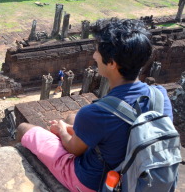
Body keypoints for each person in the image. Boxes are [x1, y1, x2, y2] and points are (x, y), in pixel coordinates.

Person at [17, 19, 173, 192]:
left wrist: (61, 130)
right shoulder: (160, 96)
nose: (93, 56)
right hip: (141, 174)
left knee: (25, 128)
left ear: (112, 63)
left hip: (95, 182)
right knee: (72, 118)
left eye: (97, 51)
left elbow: (73, 149)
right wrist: (70, 126)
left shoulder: (95, 113)